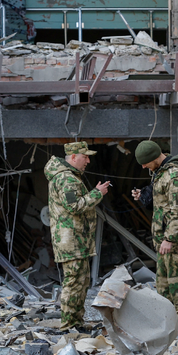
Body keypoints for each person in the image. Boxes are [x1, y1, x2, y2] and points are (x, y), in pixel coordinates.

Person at [45, 141, 110, 331]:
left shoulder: (69, 177)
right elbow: (74, 206)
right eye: (85, 157)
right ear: (73, 158)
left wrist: (93, 193)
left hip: (76, 240)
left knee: (81, 283)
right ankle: (68, 326)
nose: (88, 161)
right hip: (72, 241)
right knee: (74, 283)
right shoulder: (67, 179)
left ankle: (76, 322)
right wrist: (97, 194)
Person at [132, 140, 178, 326]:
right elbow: (163, 204)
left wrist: (170, 238)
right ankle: (166, 322)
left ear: (155, 157)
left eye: (145, 163)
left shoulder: (175, 177)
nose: (143, 167)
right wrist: (145, 196)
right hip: (164, 242)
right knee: (163, 285)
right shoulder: (161, 174)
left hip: (176, 243)